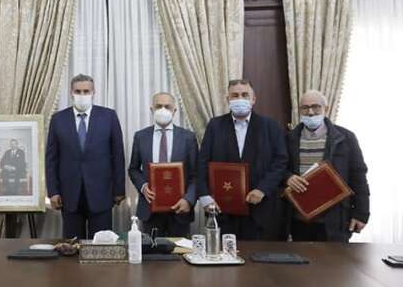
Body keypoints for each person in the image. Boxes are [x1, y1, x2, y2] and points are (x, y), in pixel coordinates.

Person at [196, 79, 288, 240]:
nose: (240, 99)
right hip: (222, 209)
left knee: (257, 255)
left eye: (245, 95)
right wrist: (204, 196)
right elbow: (202, 163)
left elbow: (280, 162)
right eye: (235, 95)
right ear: (228, 100)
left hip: (260, 209)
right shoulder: (215, 126)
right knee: (225, 254)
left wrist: (263, 189)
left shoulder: (270, 126)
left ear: (253, 99)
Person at [45, 74, 125, 239]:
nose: (82, 95)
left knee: (101, 245)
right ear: (71, 93)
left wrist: (119, 190)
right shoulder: (58, 119)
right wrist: (53, 191)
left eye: (86, 91)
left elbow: (118, 155)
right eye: (78, 91)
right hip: (69, 195)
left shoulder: (108, 116)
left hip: (101, 193)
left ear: (93, 92)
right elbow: (51, 159)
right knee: (72, 246)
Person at [283, 90, 370, 242]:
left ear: (326, 108)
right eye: (305, 107)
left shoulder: (346, 138)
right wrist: (288, 177)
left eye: (316, 106)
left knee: (335, 258)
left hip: (335, 219)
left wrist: (361, 214)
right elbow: (279, 169)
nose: (310, 112)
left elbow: (359, 177)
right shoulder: (288, 139)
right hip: (299, 219)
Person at [128, 92, 198, 237]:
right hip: (150, 209)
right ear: (152, 109)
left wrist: (188, 200)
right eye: (159, 106)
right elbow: (133, 169)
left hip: (180, 209)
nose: (163, 110)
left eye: (167, 106)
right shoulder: (140, 136)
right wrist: (143, 187)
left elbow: (196, 174)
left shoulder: (188, 137)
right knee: (151, 250)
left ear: (174, 110)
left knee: (180, 250)